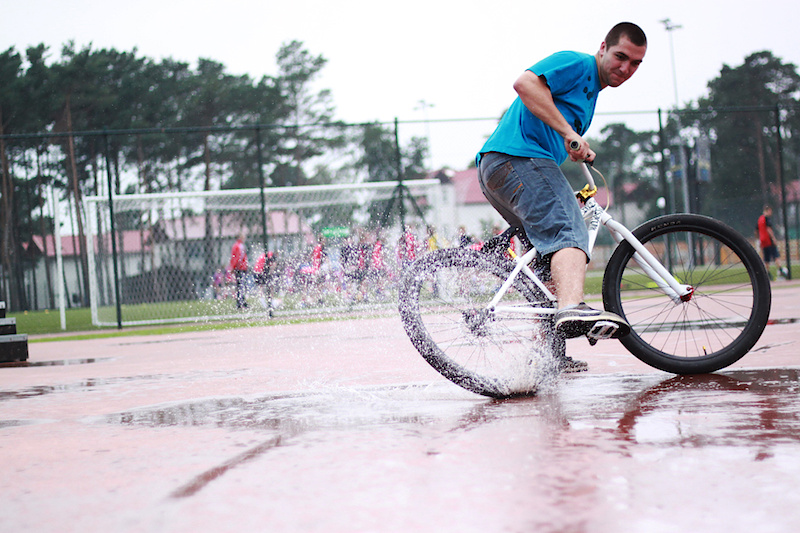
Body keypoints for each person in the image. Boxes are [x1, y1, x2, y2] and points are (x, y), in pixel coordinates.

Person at [477, 22, 646, 367]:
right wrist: (570, 132)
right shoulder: (578, 64)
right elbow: (525, 84)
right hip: (517, 158)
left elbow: (551, 123)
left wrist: (572, 145)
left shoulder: (589, 95)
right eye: (620, 57)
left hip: (501, 168)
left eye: (635, 64)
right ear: (603, 48)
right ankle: (572, 307)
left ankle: (548, 355)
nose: (625, 69)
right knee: (569, 229)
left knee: (546, 258)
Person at [756, 205, 789, 280]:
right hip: (768, 240)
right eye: (770, 211)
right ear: (768, 210)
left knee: (766, 258)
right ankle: (781, 270)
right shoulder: (767, 219)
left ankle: (767, 274)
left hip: (763, 241)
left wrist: (759, 239)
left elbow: (756, 230)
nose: (771, 213)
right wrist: (773, 238)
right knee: (776, 255)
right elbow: (768, 229)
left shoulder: (760, 219)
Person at [228, 233, 249, 309]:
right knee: (241, 285)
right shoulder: (239, 246)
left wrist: (233, 266)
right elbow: (239, 257)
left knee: (240, 285)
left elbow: (235, 257)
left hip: (239, 267)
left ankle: (240, 302)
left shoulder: (236, 245)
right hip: (240, 268)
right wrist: (234, 266)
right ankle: (241, 302)